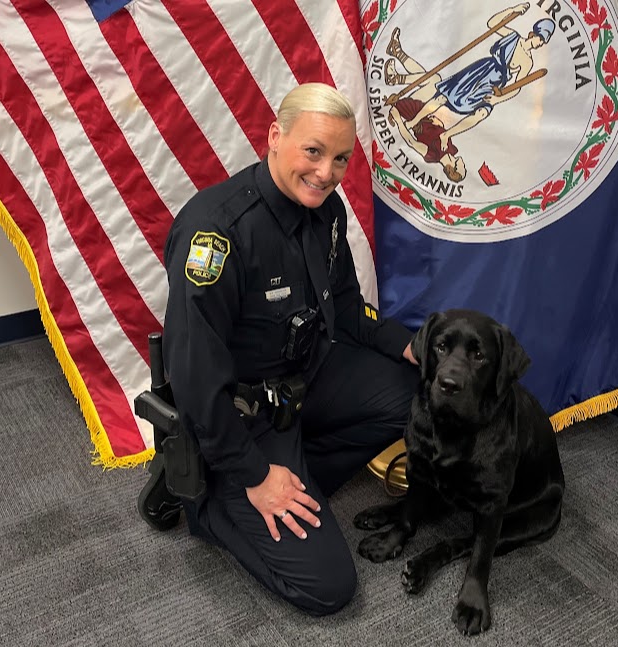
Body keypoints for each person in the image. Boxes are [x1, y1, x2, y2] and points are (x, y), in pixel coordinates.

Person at [137, 82, 419, 616]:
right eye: (313, 151)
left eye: (340, 159)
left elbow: (346, 307)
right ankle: (211, 504)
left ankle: (297, 474)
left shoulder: (327, 211)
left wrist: (411, 346)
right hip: (241, 416)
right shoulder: (217, 231)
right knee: (329, 590)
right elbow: (195, 378)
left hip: (303, 382)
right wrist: (255, 476)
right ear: (274, 137)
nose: (326, 172)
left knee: (414, 394)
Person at [384, 3, 554, 157]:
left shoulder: (527, 62)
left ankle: (446, 135)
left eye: (543, 41)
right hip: (481, 70)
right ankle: (413, 121)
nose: (540, 44)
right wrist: (512, 10)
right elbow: (492, 24)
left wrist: (497, 99)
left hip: (492, 86)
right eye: (540, 38)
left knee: (481, 113)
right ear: (533, 34)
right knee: (443, 96)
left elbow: (516, 87)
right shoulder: (513, 37)